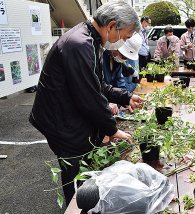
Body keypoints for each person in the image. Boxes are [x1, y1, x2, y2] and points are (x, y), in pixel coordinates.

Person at [29, 0, 145, 206]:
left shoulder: (90, 39)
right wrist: (111, 128)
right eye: (125, 36)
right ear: (111, 26)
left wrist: (126, 96)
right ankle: (77, 206)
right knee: (75, 177)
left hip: (67, 113)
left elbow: (97, 85)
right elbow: (89, 97)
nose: (122, 41)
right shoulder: (80, 44)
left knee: (85, 166)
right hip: (61, 121)